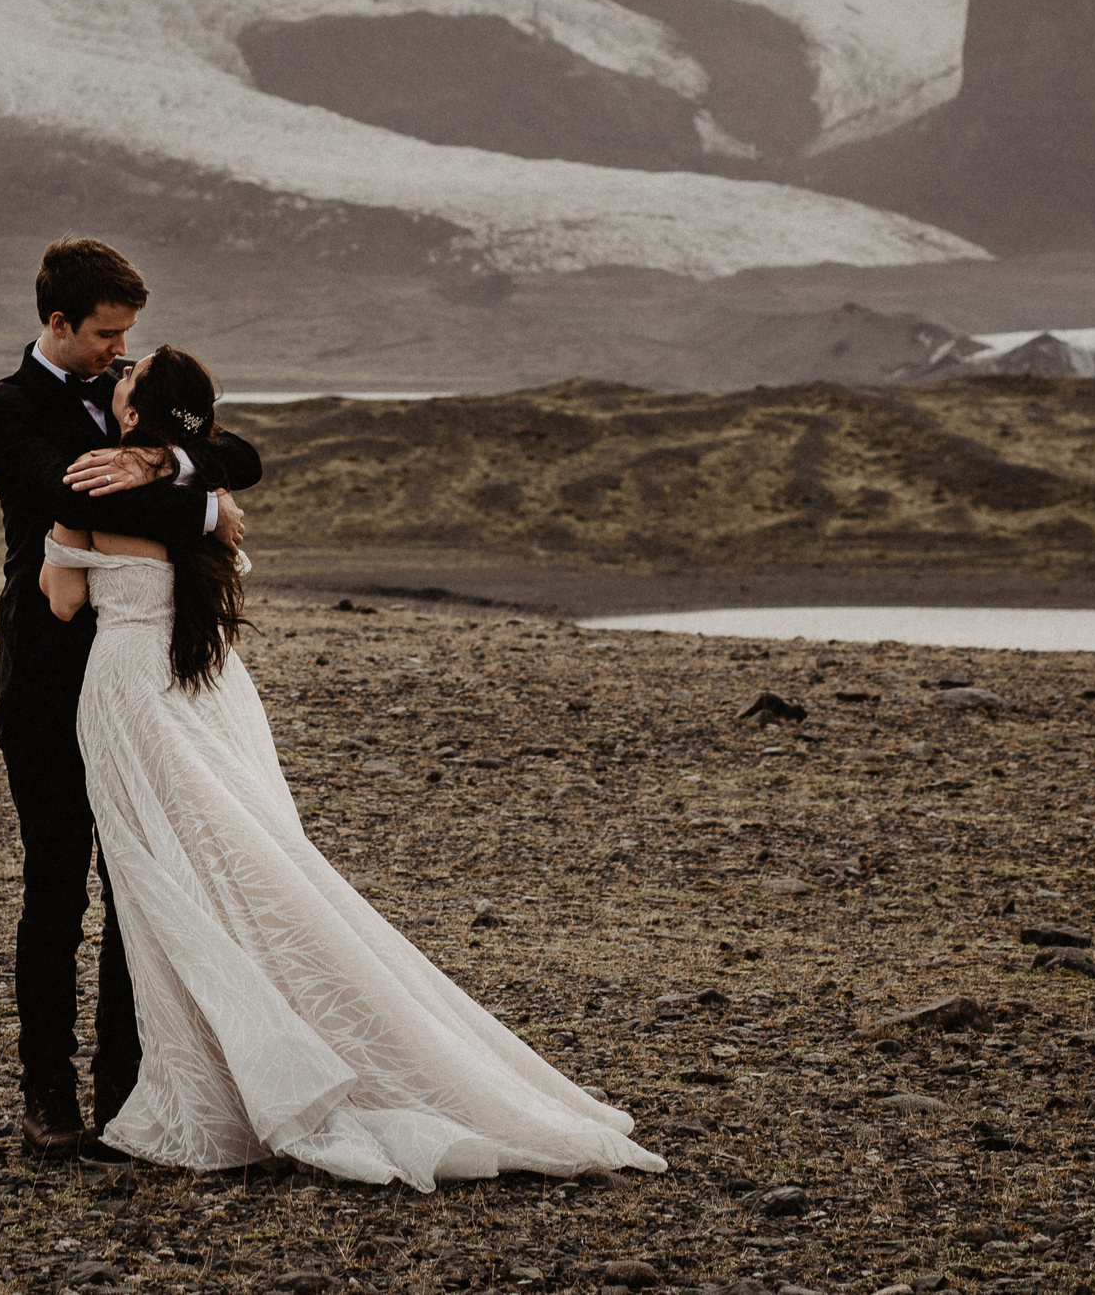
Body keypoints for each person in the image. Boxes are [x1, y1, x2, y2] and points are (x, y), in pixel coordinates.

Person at [40, 347, 666, 1190]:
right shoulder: (206, 496)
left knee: (167, 879)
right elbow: (218, 504)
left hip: (130, 692)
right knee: (238, 863)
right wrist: (199, 500)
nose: (118, 368)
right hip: (209, 690)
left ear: (133, 411)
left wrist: (62, 530)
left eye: (129, 373)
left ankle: (225, 1082)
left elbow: (65, 599)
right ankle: (241, 1063)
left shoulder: (102, 485)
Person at [0, 238, 263, 1161]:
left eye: (126, 334)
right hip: (52, 680)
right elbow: (64, 494)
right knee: (56, 886)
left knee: (141, 882)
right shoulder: (8, 410)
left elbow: (242, 452)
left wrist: (168, 463)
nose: (119, 349)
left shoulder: (129, 392)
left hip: (142, 688)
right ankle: (46, 1096)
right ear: (58, 322)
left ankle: (131, 1087)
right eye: (106, 333)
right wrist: (202, 502)